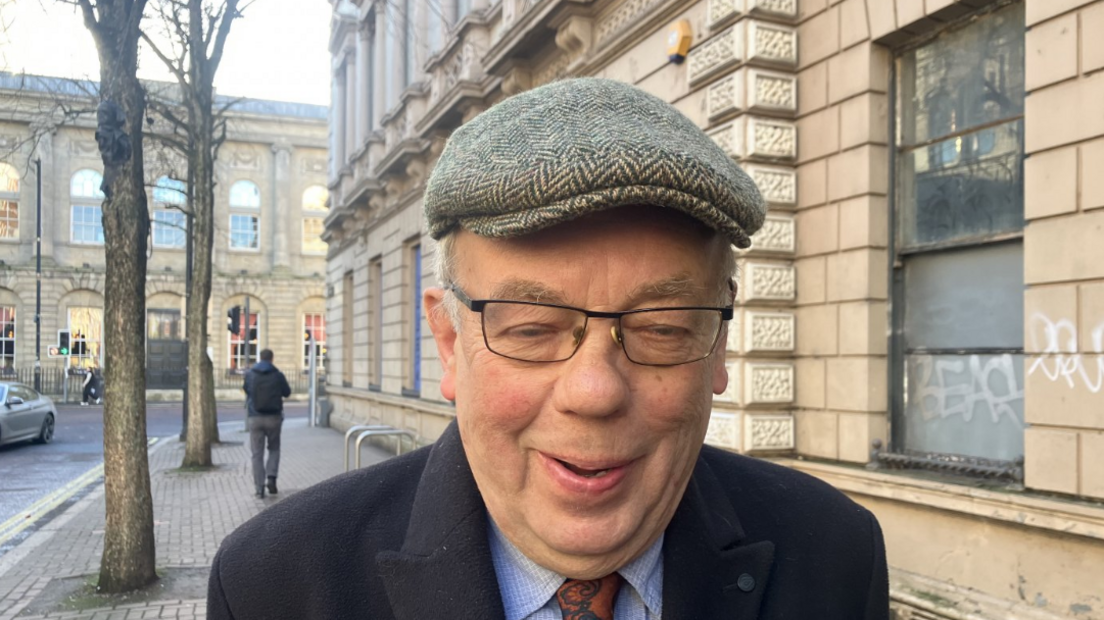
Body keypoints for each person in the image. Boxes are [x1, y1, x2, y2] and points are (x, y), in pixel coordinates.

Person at [209, 78, 889, 619]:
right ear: (449, 343)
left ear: (718, 350)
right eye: (531, 328)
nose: (593, 392)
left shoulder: (834, 557)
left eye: (662, 328)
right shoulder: (274, 587)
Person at [242, 348, 290, 499]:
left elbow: (247, 390)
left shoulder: (250, 375)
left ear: (260, 358)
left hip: (255, 418)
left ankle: (259, 487)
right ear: (272, 359)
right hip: (274, 418)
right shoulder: (278, 374)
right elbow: (287, 392)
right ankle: (271, 478)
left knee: (257, 454)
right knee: (274, 449)